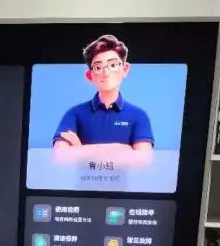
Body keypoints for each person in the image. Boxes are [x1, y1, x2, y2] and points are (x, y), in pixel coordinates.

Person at [52, 34, 153, 169]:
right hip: (82, 184)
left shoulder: (138, 115)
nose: (106, 73)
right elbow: (60, 156)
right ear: (89, 75)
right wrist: (121, 149)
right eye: (98, 67)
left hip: (123, 184)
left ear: (125, 69)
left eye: (113, 65)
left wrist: (79, 149)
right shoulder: (75, 113)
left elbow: (143, 160)